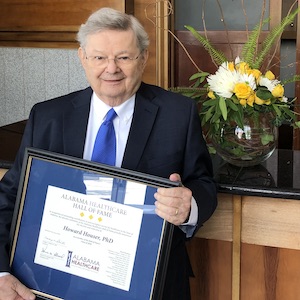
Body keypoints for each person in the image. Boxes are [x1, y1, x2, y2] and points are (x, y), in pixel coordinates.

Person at [0, 7, 217, 300]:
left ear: (143, 58)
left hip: (150, 282)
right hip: (56, 281)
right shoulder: (48, 116)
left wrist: (188, 207)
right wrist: (1, 273)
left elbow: (203, 183)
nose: (111, 68)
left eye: (124, 57)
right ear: (82, 58)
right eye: (100, 57)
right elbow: (9, 198)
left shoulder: (178, 114)